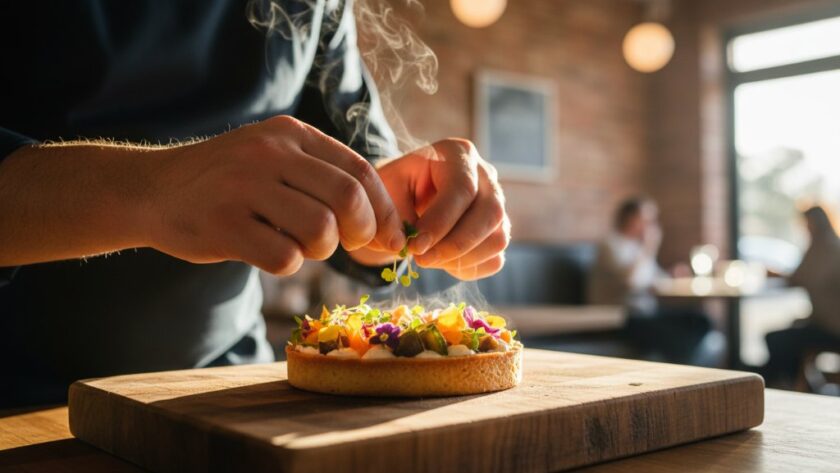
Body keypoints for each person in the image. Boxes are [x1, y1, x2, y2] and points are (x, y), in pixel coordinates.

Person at [0, 0, 510, 407]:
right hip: (20, 397)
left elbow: (358, 169)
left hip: (228, 386)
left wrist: (388, 210)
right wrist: (155, 189)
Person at [589, 196, 720, 365]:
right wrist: (648, 247)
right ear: (629, 218)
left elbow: (655, 279)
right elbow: (631, 281)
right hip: (623, 317)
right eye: (646, 219)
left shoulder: (636, 246)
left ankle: (679, 361)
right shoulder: (611, 245)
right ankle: (680, 364)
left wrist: (671, 275)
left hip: (647, 311)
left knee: (700, 320)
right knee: (680, 336)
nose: (651, 225)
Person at [761, 206, 840, 388]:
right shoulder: (827, 246)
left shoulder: (825, 250)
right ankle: (797, 383)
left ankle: (786, 385)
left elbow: (800, 278)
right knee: (789, 331)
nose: (806, 229)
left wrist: (777, 275)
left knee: (776, 339)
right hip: (826, 324)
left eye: (807, 224)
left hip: (832, 329)